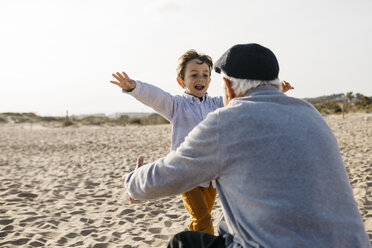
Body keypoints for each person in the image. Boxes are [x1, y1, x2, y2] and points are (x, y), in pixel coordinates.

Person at [123, 43, 371, 247]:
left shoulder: (225, 120)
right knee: (223, 222)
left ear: (228, 87)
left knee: (184, 242)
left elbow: (167, 175)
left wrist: (132, 181)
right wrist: (136, 88)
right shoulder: (311, 114)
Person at [110, 49, 294, 235]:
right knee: (202, 218)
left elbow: (243, 98)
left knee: (200, 219)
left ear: (210, 80)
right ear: (181, 81)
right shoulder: (176, 105)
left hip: (211, 175)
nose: (201, 79)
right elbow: (155, 96)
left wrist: (275, 90)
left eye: (205, 75)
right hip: (187, 174)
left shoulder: (216, 104)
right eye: (194, 75)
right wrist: (134, 87)